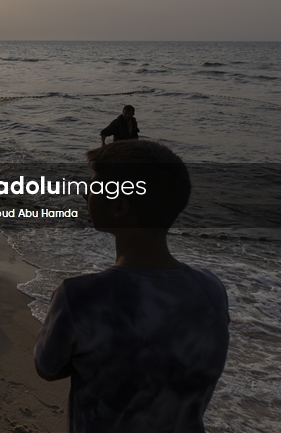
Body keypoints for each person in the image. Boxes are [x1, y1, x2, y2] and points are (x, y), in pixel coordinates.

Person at [34, 140, 229, 432]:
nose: (85, 193)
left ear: (119, 206)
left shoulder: (81, 297)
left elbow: (46, 368)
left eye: (93, 187)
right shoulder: (212, 290)